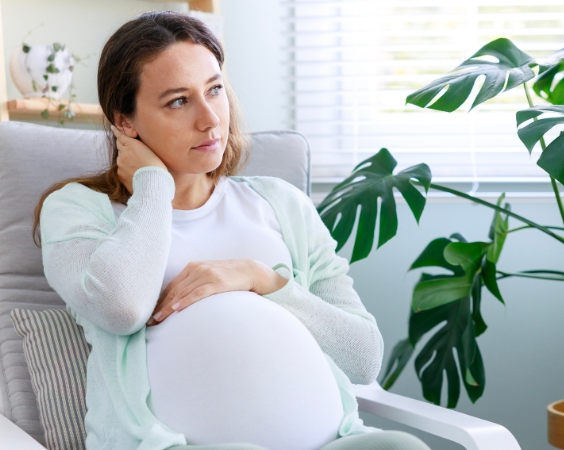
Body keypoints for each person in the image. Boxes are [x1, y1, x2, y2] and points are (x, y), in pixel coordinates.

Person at [32, 11, 431, 450]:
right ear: (125, 122)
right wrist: (153, 187)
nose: (210, 119)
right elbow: (123, 308)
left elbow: (363, 357)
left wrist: (264, 280)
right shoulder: (77, 210)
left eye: (215, 90)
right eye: (178, 101)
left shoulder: (281, 205)